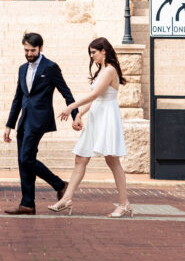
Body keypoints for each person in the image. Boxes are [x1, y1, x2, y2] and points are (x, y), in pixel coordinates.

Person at [48, 36, 131, 218]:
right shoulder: (101, 70)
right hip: (96, 115)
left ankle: (124, 204)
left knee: (112, 160)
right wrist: (80, 113)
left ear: (103, 51)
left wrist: (71, 107)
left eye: (94, 52)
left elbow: (95, 95)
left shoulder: (110, 70)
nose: (92, 56)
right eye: (90, 53)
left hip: (107, 118)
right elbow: (96, 99)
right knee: (80, 158)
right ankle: (67, 198)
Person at [3, 31, 78, 215]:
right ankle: (27, 204)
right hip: (23, 121)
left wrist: (76, 114)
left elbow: (66, 92)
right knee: (24, 162)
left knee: (26, 158)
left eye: (32, 50)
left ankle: (60, 185)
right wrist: (9, 125)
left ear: (41, 48)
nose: (29, 54)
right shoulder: (22, 68)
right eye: (26, 50)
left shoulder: (50, 67)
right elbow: (18, 98)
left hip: (39, 120)